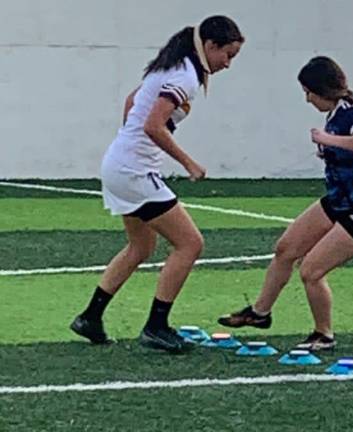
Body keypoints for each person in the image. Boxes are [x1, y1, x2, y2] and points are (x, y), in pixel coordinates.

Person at [70, 16, 244, 353]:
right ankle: (156, 326)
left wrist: (128, 143)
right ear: (210, 46)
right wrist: (187, 162)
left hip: (120, 165)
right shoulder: (185, 75)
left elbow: (132, 103)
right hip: (133, 171)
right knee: (191, 244)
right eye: (228, 54)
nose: (228, 64)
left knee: (141, 248)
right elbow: (153, 125)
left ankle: (90, 317)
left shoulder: (170, 67)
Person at [217, 56, 353, 351]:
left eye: (309, 92)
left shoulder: (351, 114)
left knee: (311, 271)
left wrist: (329, 141)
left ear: (324, 89)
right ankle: (260, 314)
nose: (307, 99)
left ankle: (324, 335)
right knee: (285, 249)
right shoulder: (335, 114)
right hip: (339, 200)